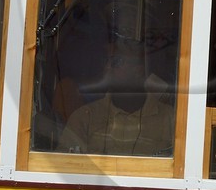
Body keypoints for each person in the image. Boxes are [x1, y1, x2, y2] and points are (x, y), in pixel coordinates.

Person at [60, 12, 175, 157]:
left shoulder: (170, 120)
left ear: (139, 69)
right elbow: (66, 167)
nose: (108, 67)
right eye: (106, 61)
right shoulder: (84, 118)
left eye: (116, 62)